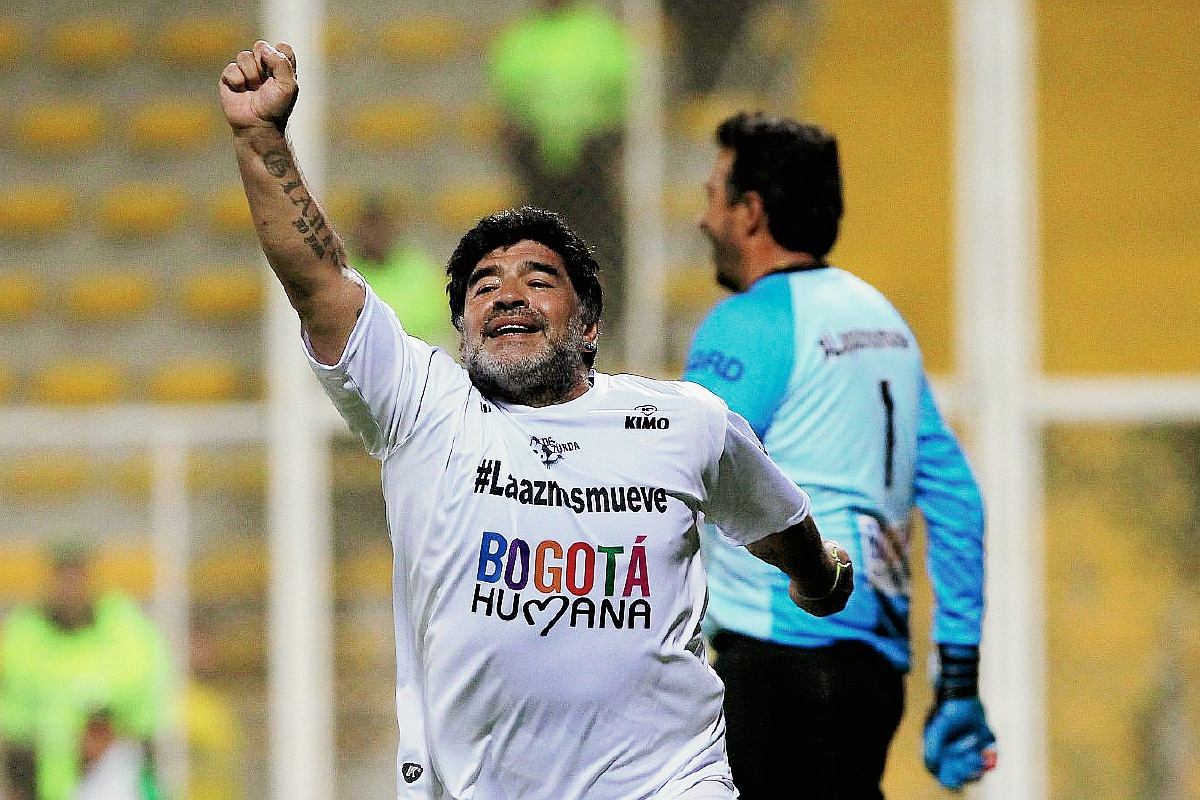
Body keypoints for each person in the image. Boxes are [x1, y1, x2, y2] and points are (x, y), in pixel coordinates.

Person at [220, 41, 853, 799]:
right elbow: (318, 280)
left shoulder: (685, 422)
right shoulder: (425, 409)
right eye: (484, 285)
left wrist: (819, 577)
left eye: (539, 279)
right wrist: (260, 137)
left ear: (588, 326)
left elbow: (777, 519)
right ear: (462, 330)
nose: (507, 294)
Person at [682, 111, 997, 798]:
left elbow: (673, 478)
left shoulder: (749, 323)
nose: (703, 219)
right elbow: (957, 501)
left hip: (778, 661)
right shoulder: (883, 322)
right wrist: (958, 677)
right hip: (871, 672)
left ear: (750, 213)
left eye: (712, 197)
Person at [486, 0, 632, 353]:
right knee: (535, 252)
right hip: (537, 166)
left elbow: (621, 102)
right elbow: (507, 114)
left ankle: (606, 329)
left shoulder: (601, 34)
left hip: (593, 163)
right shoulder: (519, 39)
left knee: (600, 249)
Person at [0, 543, 171, 800]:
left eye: (76, 574)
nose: (70, 585)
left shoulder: (125, 628)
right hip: (46, 784)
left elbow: (144, 713)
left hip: (113, 783)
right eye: (62, 575)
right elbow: (15, 725)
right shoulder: (24, 634)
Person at [348, 194, 458, 353]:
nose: (374, 235)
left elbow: (436, 322)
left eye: (380, 227)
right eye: (369, 227)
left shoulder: (420, 268)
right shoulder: (346, 275)